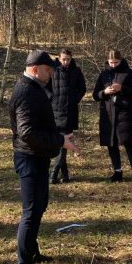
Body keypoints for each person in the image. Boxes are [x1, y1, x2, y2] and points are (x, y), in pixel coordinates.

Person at [9, 50, 78, 264]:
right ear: (35, 69)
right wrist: (60, 141)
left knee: (39, 207)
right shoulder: (26, 91)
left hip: (38, 157)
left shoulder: (34, 87)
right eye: (48, 71)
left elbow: (39, 124)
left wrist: (60, 137)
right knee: (30, 211)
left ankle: (32, 252)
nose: (51, 75)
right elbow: (27, 132)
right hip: (29, 158)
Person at [93, 49, 132, 183]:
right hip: (107, 114)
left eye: (116, 62)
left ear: (121, 60)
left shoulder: (129, 73)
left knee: (129, 142)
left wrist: (121, 88)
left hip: (124, 113)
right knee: (111, 144)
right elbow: (95, 95)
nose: (113, 65)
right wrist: (104, 92)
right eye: (111, 62)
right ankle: (117, 171)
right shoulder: (104, 74)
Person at [50, 49, 87, 184]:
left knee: (63, 143)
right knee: (61, 143)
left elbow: (82, 88)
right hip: (54, 112)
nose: (66, 62)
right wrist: (51, 100)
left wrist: (73, 100)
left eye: (68, 59)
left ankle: (53, 174)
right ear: (59, 58)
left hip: (70, 112)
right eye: (63, 59)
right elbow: (46, 87)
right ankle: (65, 175)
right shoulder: (52, 70)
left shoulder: (76, 71)